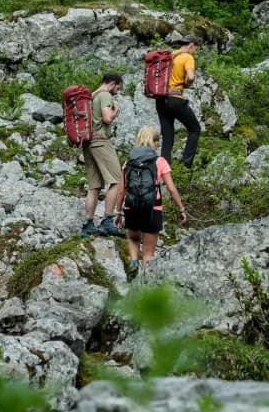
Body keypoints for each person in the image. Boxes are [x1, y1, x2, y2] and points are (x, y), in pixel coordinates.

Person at [121, 125, 186, 277]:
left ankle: (133, 263)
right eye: (158, 141)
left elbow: (121, 189)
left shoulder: (129, 161)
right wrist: (181, 209)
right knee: (149, 251)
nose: (158, 145)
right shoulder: (160, 161)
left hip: (131, 207)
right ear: (154, 141)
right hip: (153, 208)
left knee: (133, 238)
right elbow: (171, 188)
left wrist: (118, 211)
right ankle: (144, 278)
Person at [79, 73, 126, 237]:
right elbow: (107, 118)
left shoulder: (91, 96)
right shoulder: (105, 95)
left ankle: (88, 224)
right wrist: (115, 112)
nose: (117, 91)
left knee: (94, 185)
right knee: (117, 179)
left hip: (88, 143)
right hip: (100, 141)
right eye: (118, 87)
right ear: (113, 84)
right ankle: (107, 221)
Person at [155, 36, 202, 167]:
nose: (194, 52)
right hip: (175, 99)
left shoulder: (169, 56)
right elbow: (191, 77)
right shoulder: (187, 57)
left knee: (167, 136)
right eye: (195, 49)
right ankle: (186, 165)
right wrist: (187, 83)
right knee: (195, 129)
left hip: (161, 100)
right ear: (191, 45)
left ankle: (164, 170)